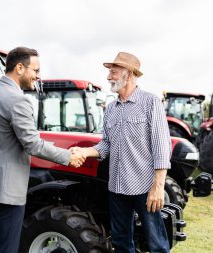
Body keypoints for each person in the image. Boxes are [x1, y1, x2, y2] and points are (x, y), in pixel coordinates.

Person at [0, 47, 85, 253]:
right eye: (36, 70)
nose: (38, 76)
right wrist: (68, 156)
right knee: (7, 247)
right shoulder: (18, 100)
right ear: (20, 68)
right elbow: (32, 144)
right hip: (6, 187)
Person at [71, 52, 172, 253]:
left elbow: (162, 147)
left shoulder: (151, 103)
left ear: (130, 74)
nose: (109, 77)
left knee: (157, 245)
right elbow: (106, 145)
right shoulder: (110, 109)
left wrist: (158, 187)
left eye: (114, 72)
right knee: (121, 243)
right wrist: (84, 151)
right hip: (116, 187)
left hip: (145, 187)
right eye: (109, 72)